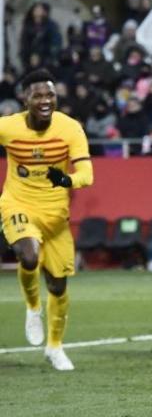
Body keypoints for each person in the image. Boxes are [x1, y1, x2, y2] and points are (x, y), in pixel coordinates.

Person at [0, 68, 94, 370]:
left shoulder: (69, 129)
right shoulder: (8, 127)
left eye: (50, 94)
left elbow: (87, 175)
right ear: (24, 98)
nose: (44, 100)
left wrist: (66, 181)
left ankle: (55, 347)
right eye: (37, 95)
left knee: (58, 285)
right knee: (28, 256)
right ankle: (32, 307)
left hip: (56, 215)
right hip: (18, 204)